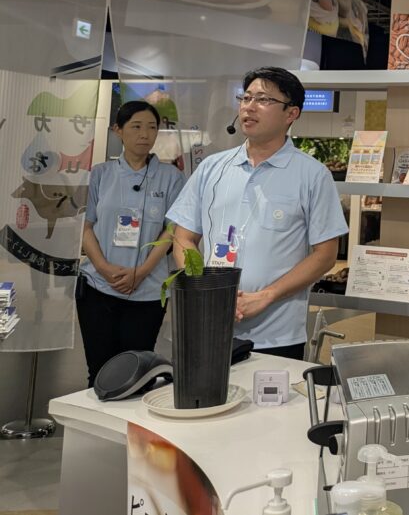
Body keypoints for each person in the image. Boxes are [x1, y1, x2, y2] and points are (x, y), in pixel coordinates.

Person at [166, 66, 347, 359]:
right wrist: (204, 290)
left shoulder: (312, 175)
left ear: (291, 113)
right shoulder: (212, 167)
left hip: (277, 334)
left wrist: (265, 296)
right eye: (246, 97)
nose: (249, 107)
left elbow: (325, 255)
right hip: (208, 324)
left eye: (263, 100)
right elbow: (183, 236)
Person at [78, 101, 185, 387]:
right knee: (98, 371)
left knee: (136, 374)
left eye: (152, 127)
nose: (145, 134)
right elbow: (85, 227)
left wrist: (142, 271)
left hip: (147, 291)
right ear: (118, 130)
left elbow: (172, 231)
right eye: (136, 126)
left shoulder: (172, 178)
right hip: (99, 287)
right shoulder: (100, 174)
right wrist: (103, 268)